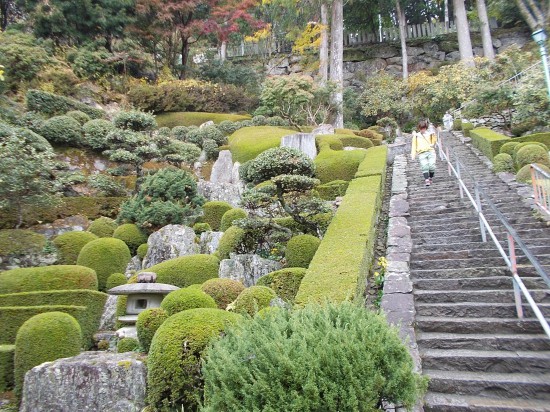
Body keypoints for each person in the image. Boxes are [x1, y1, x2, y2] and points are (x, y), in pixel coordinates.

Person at [411, 119, 437, 186]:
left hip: (430, 151)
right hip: (421, 153)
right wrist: (413, 155)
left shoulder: (430, 134)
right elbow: (414, 145)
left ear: (426, 128)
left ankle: (430, 177)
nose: (422, 130)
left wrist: (433, 136)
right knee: (424, 166)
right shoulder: (416, 136)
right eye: (421, 128)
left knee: (432, 166)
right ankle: (426, 179)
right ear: (419, 128)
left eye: (424, 128)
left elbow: (434, 141)